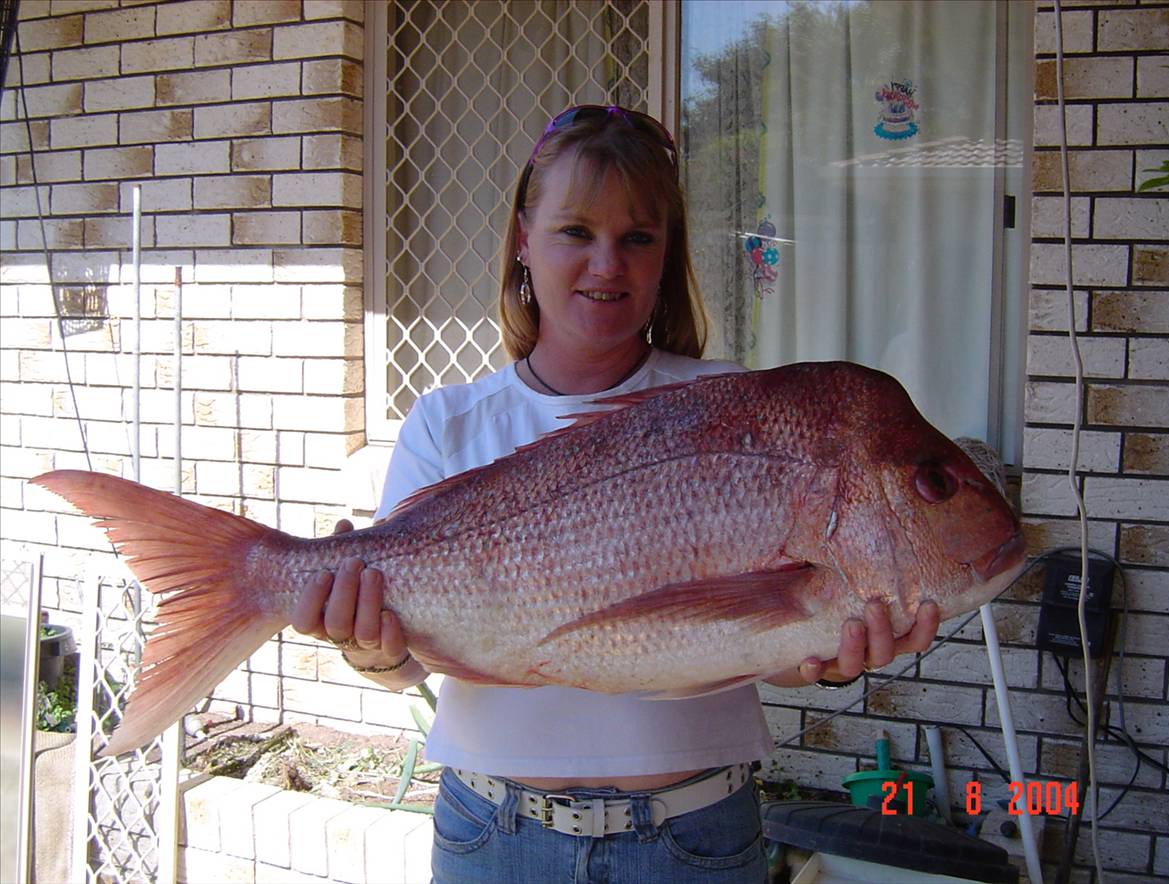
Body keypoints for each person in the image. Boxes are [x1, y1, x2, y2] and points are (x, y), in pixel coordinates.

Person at [292, 105, 941, 883]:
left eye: (638, 238)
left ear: (667, 256)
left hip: (693, 835)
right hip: (494, 835)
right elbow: (406, 668)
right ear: (524, 241)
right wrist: (366, 648)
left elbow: (756, 651)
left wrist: (822, 657)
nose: (608, 264)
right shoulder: (446, 422)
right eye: (576, 232)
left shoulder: (735, 409)